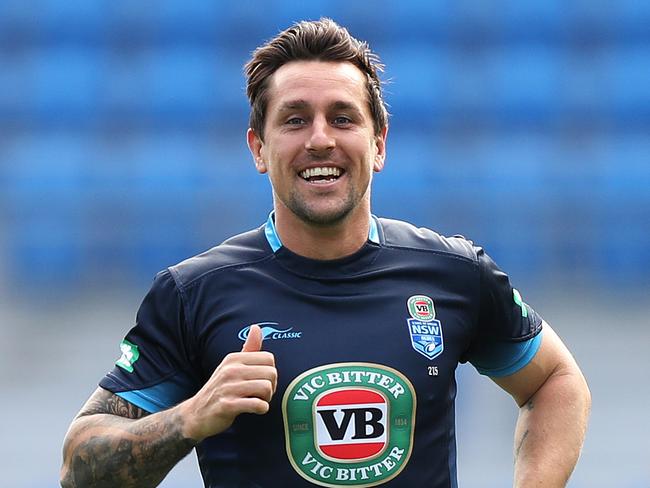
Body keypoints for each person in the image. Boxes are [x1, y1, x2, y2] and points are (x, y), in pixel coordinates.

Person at [60, 18, 591, 488]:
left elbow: (555, 382)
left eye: (342, 118)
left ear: (378, 144)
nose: (319, 139)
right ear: (259, 149)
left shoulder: (454, 273)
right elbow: (79, 468)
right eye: (294, 120)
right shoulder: (193, 293)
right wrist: (190, 416)